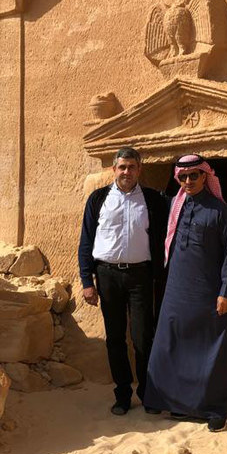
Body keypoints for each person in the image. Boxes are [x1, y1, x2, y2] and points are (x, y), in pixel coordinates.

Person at [143, 154, 227, 432]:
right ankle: (177, 403)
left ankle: (215, 410)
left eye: (193, 175)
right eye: (183, 177)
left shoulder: (220, 211)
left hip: (209, 291)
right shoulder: (176, 206)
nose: (188, 181)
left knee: (211, 349)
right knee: (171, 342)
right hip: (176, 289)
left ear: (204, 176)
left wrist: (225, 292)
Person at [78, 147, 167, 415]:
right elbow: (86, 240)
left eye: (132, 167)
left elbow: (167, 231)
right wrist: (87, 280)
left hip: (140, 276)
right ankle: (123, 394)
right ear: (113, 169)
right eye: (122, 167)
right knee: (115, 337)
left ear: (139, 169)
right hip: (107, 276)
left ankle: (148, 393)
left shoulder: (152, 199)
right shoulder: (98, 199)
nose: (127, 172)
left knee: (143, 337)